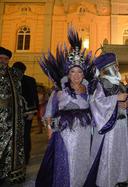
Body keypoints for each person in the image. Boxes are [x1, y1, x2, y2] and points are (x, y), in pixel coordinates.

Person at [35, 28, 93, 187]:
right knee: (67, 163)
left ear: (83, 74)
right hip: (65, 135)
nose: (76, 75)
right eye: (73, 71)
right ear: (68, 74)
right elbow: (49, 115)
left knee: (83, 161)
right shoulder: (58, 92)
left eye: (79, 72)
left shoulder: (89, 91)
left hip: (85, 134)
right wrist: (51, 134)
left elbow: (96, 111)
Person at [84, 52, 128, 187]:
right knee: (110, 154)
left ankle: (121, 177)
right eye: (115, 66)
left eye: (117, 66)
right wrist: (116, 100)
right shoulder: (100, 83)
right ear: (107, 68)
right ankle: (108, 179)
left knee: (122, 151)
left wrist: (127, 105)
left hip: (122, 125)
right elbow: (96, 102)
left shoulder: (120, 84)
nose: (118, 69)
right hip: (110, 128)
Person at [0, 47, 25, 184]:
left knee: (9, 148)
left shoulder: (13, 75)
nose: (3, 61)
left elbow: (19, 94)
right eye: (1, 58)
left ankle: (8, 172)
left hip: (10, 118)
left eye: (6, 59)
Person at [12, 61, 39, 165]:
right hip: (13, 114)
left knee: (25, 135)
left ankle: (25, 157)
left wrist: (32, 112)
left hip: (26, 114)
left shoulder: (29, 80)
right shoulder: (10, 80)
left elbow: (33, 97)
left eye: (19, 71)